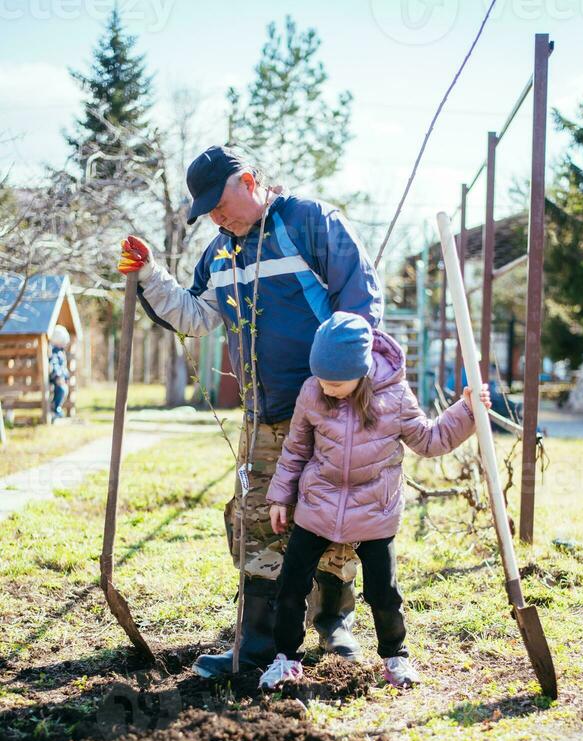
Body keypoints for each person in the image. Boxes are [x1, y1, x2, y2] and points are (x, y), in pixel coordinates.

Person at [117, 145, 383, 676]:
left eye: (220, 201)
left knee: (339, 516)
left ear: (251, 181)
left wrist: (348, 388)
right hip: (263, 415)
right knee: (258, 520)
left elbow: (361, 306)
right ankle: (254, 645)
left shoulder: (310, 223)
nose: (215, 214)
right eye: (207, 208)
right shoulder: (219, 254)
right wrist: (149, 275)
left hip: (332, 410)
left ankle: (332, 624)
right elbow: (194, 316)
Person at [258, 312, 492, 691]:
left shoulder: (395, 398)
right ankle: (285, 659)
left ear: (361, 371)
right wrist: (281, 496)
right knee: (291, 586)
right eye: (322, 378)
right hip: (318, 505)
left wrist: (466, 410)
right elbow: (296, 449)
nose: (327, 387)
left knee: (384, 593)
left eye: (336, 381)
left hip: (375, 510)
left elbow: (431, 440)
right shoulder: (312, 392)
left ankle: (395, 657)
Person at [49, 325, 70, 420]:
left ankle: (56, 408)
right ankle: (55, 409)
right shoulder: (54, 352)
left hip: (61, 378)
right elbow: (54, 365)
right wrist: (58, 377)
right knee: (62, 390)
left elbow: (63, 367)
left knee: (64, 390)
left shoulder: (60, 352)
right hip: (55, 379)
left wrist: (66, 376)